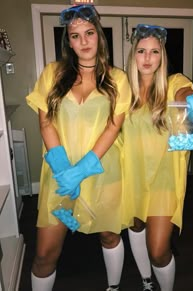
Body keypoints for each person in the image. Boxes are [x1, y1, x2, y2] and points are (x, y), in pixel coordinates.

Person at [26, 4, 131, 291]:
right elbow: (45, 121)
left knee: (109, 236)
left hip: (102, 173)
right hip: (60, 177)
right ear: (68, 41)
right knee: (45, 254)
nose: (84, 41)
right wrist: (64, 170)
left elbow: (114, 126)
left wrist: (82, 170)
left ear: (99, 35)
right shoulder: (52, 73)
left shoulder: (117, 78)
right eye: (75, 36)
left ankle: (113, 287)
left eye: (89, 33)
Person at [118, 24, 193, 291]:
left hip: (163, 181)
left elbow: (185, 92)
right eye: (141, 51)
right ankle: (146, 280)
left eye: (154, 51)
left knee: (159, 250)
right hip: (132, 178)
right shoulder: (123, 92)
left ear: (162, 56)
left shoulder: (174, 82)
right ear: (133, 56)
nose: (147, 58)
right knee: (136, 227)